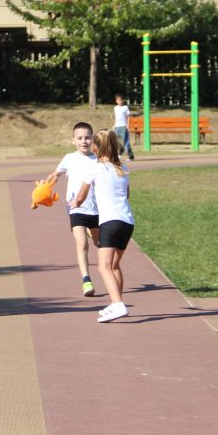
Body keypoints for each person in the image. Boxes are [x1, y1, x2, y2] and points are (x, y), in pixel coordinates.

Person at [74, 129, 135, 323]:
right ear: (115, 146)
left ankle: (118, 305)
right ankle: (117, 302)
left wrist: (74, 203)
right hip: (127, 222)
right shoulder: (123, 168)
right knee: (114, 265)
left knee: (103, 267)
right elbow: (127, 195)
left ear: (95, 148)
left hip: (110, 222)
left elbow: (80, 197)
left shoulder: (94, 169)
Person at [43, 122, 99, 297]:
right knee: (82, 244)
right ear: (73, 140)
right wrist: (46, 184)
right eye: (80, 138)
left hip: (97, 209)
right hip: (76, 208)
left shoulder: (98, 159)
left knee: (98, 243)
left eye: (87, 138)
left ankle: (91, 233)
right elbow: (55, 174)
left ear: (92, 139)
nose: (84, 141)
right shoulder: (69, 158)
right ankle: (86, 280)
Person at [113, 94, 134, 160]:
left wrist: (128, 125)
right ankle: (120, 153)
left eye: (121, 100)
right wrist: (114, 125)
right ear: (116, 101)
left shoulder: (125, 107)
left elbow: (129, 117)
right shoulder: (115, 108)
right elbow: (116, 117)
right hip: (117, 127)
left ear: (123, 101)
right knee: (118, 141)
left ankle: (130, 156)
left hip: (124, 127)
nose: (120, 102)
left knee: (126, 142)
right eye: (118, 100)